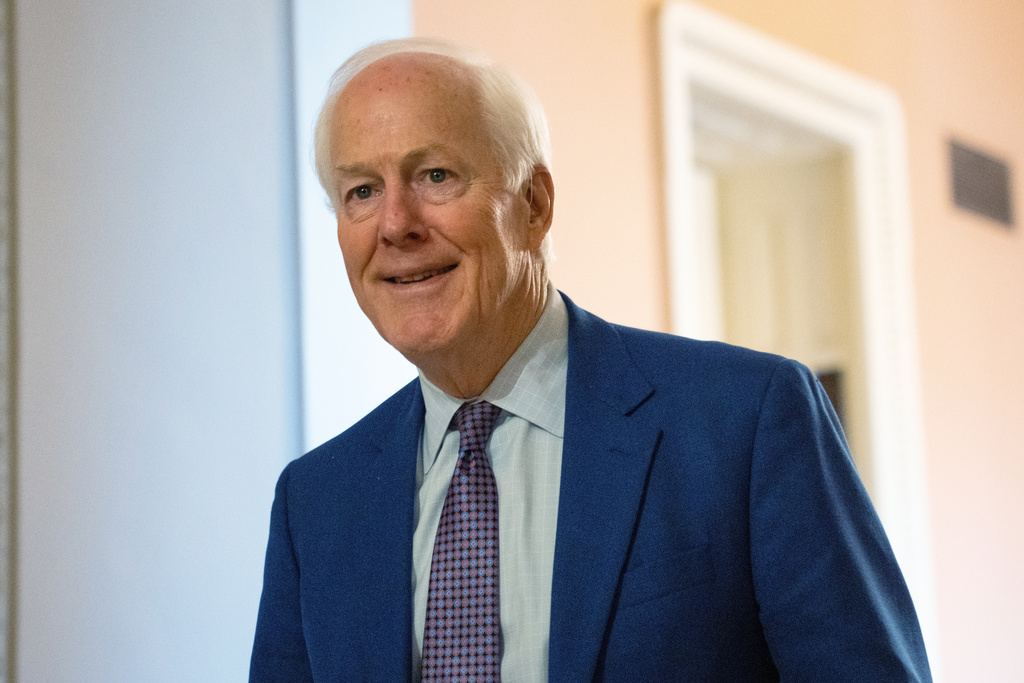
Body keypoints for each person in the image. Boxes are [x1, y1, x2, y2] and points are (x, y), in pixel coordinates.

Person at [250, 37, 932, 682]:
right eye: (361, 191)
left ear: (535, 204)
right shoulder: (313, 504)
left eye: (435, 174)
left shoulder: (747, 420)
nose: (396, 224)